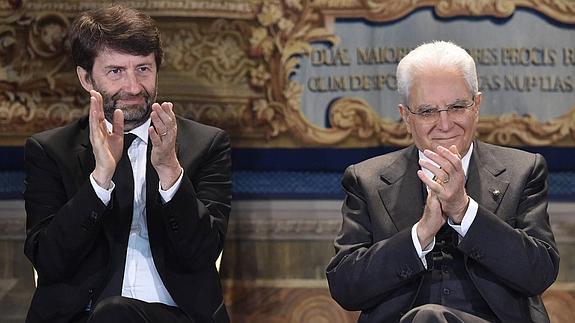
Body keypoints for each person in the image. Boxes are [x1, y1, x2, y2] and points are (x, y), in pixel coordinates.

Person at [23, 5, 231, 323]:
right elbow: (50, 261)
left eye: (143, 69)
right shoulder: (51, 151)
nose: (134, 88)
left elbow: (202, 255)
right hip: (83, 315)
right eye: (116, 71)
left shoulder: (205, 144)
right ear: (85, 77)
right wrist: (100, 180)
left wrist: (171, 173)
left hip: (178, 315)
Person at [326, 41, 559, 323]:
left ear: (477, 106)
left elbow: (539, 274)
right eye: (427, 111)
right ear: (405, 117)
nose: (445, 124)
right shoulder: (366, 180)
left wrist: (463, 211)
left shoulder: (523, 171)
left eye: (457, 107)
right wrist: (421, 233)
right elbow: (345, 287)